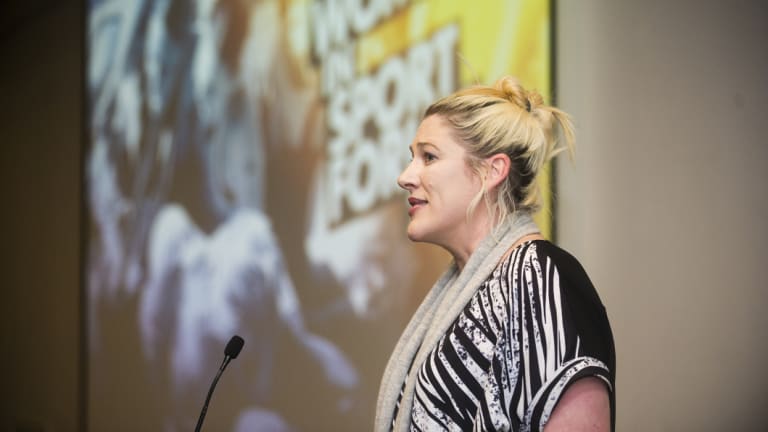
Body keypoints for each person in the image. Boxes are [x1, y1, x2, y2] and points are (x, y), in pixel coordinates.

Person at [375, 76, 616, 431]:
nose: (405, 177)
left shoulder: (541, 277)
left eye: (429, 156)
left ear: (492, 171)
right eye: (413, 158)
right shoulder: (460, 291)